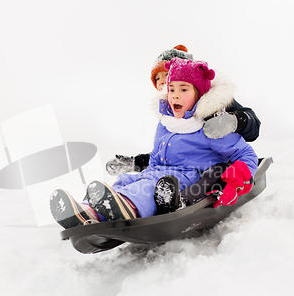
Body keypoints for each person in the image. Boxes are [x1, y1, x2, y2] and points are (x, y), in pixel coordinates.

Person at [50, 58, 258, 229]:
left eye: (184, 89)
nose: (175, 94)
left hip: (185, 178)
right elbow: (157, 157)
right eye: (172, 89)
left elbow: (246, 155)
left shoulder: (211, 126)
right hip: (156, 171)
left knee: (147, 188)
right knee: (126, 181)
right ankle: (88, 212)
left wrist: (237, 177)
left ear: (199, 94)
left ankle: (128, 207)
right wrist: (140, 166)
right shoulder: (166, 123)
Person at [106, 44, 261, 176]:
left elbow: (254, 126)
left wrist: (234, 121)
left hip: (217, 164)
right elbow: (174, 155)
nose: (162, 84)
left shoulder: (211, 100)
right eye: (158, 79)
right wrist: (136, 163)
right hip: (183, 170)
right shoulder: (170, 111)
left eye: (166, 76)